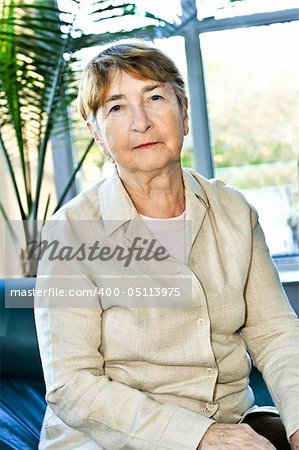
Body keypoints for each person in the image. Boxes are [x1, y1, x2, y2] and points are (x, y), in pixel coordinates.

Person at [34, 39, 299, 450]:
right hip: (113, 440)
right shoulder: (69, 232)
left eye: (155, 96)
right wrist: (200, 437)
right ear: (97, 134)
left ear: (184, 112)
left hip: (236, 427)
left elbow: (276, 332)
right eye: (116, 107)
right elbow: (72, 384)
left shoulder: (233, 209)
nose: (141, 121)